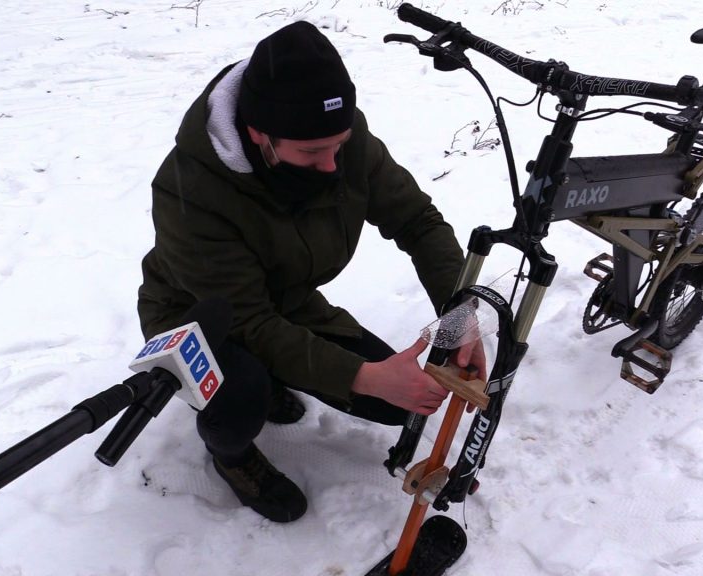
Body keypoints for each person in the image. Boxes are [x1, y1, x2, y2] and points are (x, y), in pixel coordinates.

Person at [136, 20, 484, 523]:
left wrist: (461, 319)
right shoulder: (188, 189)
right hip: (197, 318)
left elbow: (417, 220)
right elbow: (247, 321)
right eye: (312, 154)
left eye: (338, 147)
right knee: (242, 394)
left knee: (391, 405)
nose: (331, 167)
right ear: (259, 135)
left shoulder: (339, 139)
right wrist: (361, 375)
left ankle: (280, 373)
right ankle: (232, 457)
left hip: (287, 301)